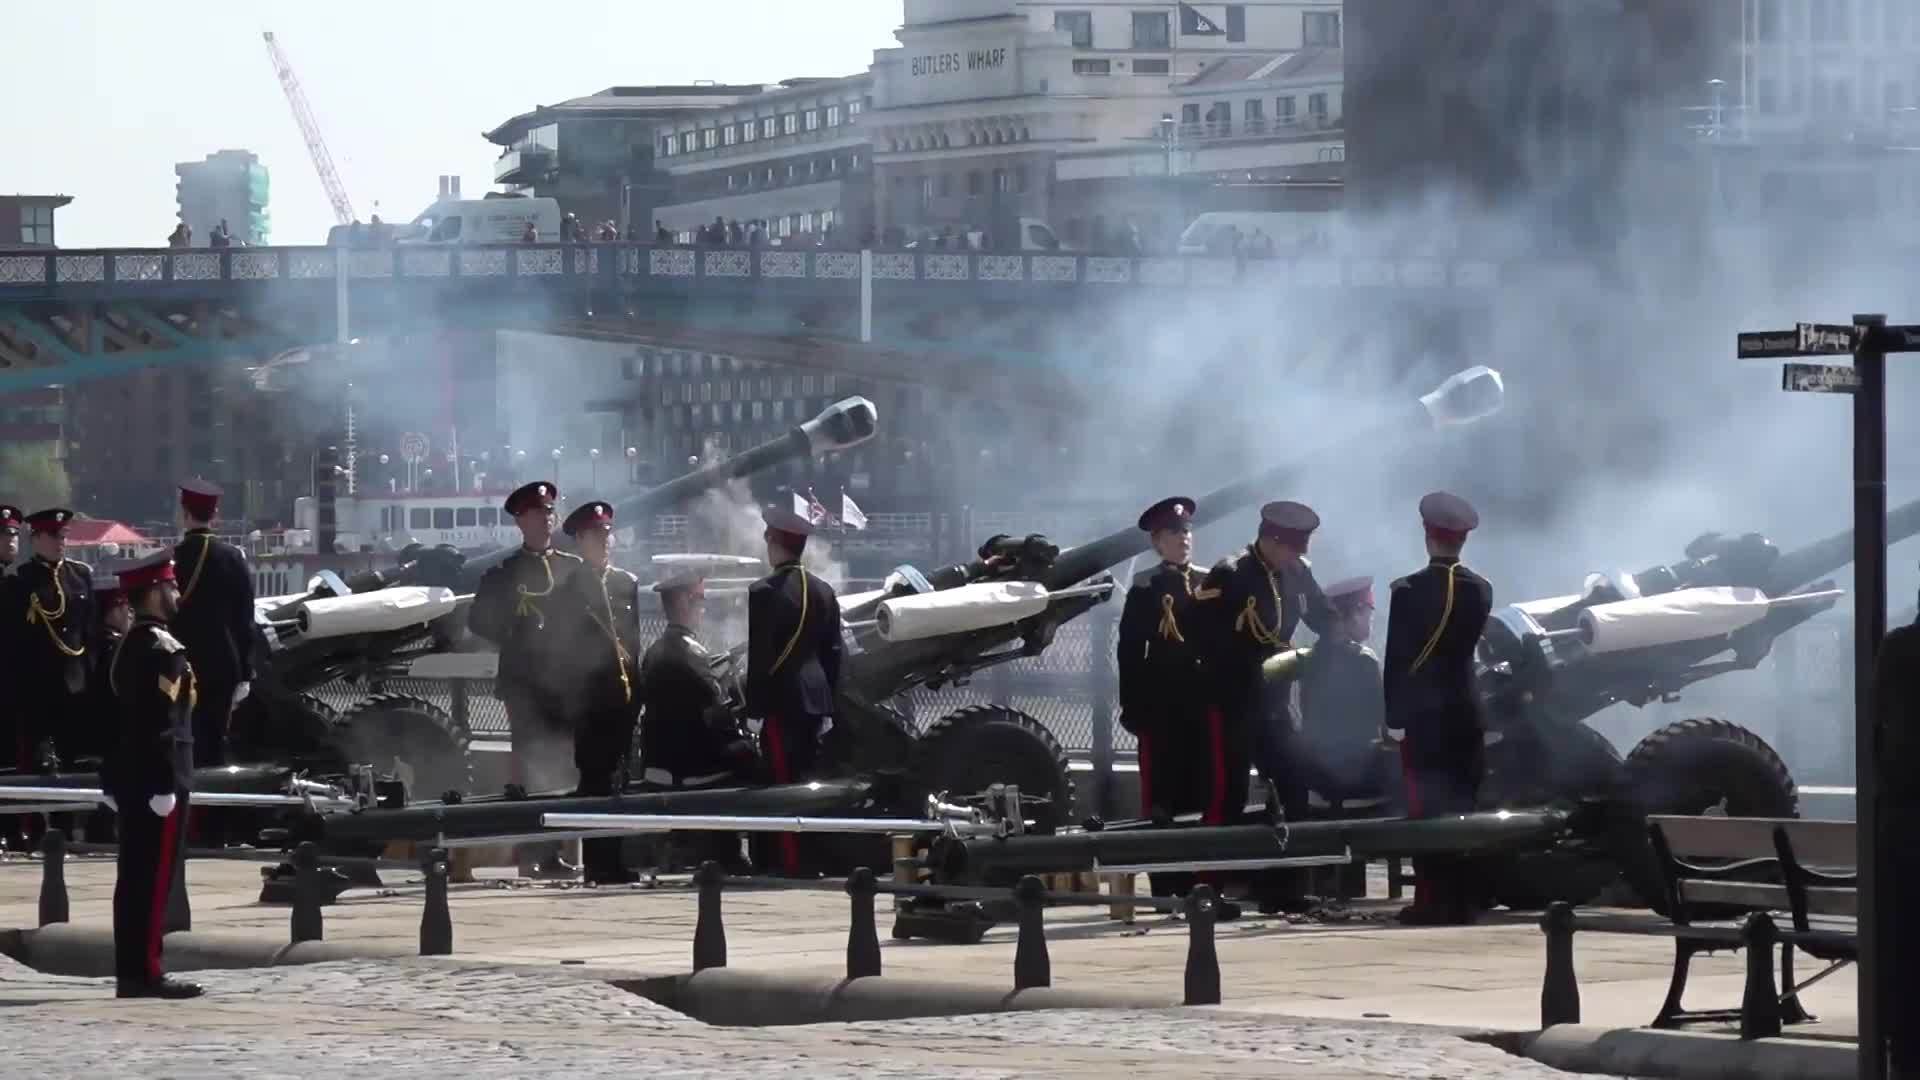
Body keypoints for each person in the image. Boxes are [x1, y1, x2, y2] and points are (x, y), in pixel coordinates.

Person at [1193, 500, 1333, 913]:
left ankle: (1285, 886)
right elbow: (1200, 637)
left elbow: (1323, 616)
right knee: (1226, 796)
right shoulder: (1231, 573)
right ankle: (1208, 890)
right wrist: (1244, 662)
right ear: (1270, 540)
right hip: (1232, 700)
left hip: (1274, 702)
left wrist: (1329, 648)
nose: (1296, 557)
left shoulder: (1298, 571)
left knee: (1292, 786)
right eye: (1291, 548)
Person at [1383, 491, 1494, 926]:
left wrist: (1393, 718)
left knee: (1426, 810)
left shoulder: (1408, 590)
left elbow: (1397, 659)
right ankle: (1464, 898)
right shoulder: (1482, 589)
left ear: (1428, 536)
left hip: (1425, 716)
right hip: (1466, 712)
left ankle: (1432, 899)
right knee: (1463, 807)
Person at [468, 480, 583, 879]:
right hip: (526, 686)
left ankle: (553, 850)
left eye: (550, 512)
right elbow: (479, 620)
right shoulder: (504, 573)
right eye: (537, 513)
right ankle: (530, 853)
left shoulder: (572, 566)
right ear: (521, 521)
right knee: (531, 768)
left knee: (563, 768)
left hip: (565, 684)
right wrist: (518, 631)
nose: (546, 519)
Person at [102, 551, 201, 999]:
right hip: (158, 781)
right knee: (153, 879)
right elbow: (161, 724)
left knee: (134, 878)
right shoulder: (163, 649)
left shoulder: (126, 645)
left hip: (131, 779)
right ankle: (146, 971)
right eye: (172, 586)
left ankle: (133, 970)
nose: (177, 593)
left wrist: (111, 779)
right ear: (156, 592)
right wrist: (165, 783)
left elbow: (112, 720)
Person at [1116, 496, 1209, 902]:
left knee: (1201, 793)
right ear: (1157, 542)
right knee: (1162, 799)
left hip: (1200, 707)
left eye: (1187, 531)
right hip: (1160, 708)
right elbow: (1130, 652)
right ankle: (1166, 886)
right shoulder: (1146, 587)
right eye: (1174, 533)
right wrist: (1133, 707)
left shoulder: (1208, 583)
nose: (1183, 539)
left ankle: (1199, 881)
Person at [746, 505, 842, 875]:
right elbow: (833, 655)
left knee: (782, 782)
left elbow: (761, 656)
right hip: (815, 701)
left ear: (775, 542)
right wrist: (829, 707)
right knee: (809, 782)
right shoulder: (824, 591)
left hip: (781, 700)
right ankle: (810, 855)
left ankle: (790, 861)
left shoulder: (764, 591)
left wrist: (755, 710)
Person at [639, 564, 756, 869]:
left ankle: (683, 842)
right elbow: (717, 715)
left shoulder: (654, 651)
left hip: (658, 759)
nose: (704, 608)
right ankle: (731, 852)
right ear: (682, 603)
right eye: (699, 600)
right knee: (753, 760)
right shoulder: (692, 653)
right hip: (688, 763)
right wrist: (744, 734)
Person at [559, 500, 643, 886]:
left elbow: (635, 643)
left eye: (607, 534)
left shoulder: (627, 582)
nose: (605, 541)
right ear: (580, 540)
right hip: (590, 700)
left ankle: (616, 858)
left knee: (620, 782)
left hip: (623, 698)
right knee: (595, 781)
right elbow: (564, 650)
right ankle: (597, 861)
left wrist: (638, 695)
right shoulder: (571, 587)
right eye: (596, 535)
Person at [170, 480, 255, 771]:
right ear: (215, 513)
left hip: (180, 663)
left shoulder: (173, 559)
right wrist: (245, 671)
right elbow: (244, 620)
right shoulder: (232, 557)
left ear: (184, 513)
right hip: (223, 663)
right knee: (215, 741)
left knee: (183, 737)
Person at [12, 509, 93, 773]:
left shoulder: (80, 575)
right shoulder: (23, 580)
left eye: (63, 535)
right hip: (41, 688)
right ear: (35, 539)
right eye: (53, 536)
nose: (60, 541)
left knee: (77, 765)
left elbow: (90, 630)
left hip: (77, 685)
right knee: (43, 770)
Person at [1296, 576, 1388, 808]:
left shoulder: (1308, 659)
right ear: (1356, 612)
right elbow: (1386, 721)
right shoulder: (1364, 660)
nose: (1370, 622)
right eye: (1368, 614)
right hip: (1360, 776)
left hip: (1318, 778)